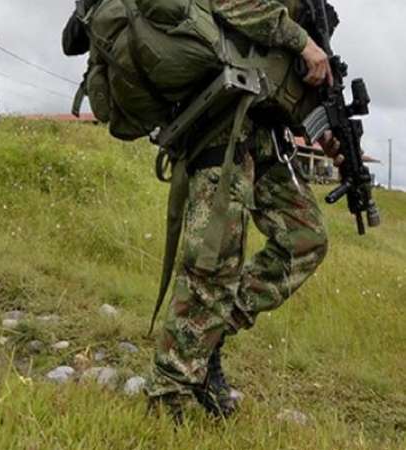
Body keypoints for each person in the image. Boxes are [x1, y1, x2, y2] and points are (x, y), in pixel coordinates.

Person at [145, 0, 340, 421]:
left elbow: (284, 70)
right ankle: (167, 395)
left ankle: (208, 335)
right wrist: (302, 41)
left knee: (305, 238)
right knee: (212, 264)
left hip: (264, 131)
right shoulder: (295, 24)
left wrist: (325, 129)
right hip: (218, 119)